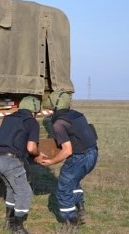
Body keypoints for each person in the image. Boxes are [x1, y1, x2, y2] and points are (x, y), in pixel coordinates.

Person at [41, 90, 98, 232]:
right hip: (93, 153)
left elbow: (67, 150)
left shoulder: (58, 123)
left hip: (80, 157)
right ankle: (81, 211)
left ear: (55, 105)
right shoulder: (78, 115)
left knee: (63, 189)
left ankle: (72, 224)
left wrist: (51, 161)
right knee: (74, 181)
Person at [0, 95, 45, 234]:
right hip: (10, 161)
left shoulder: (8, 118)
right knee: (24, 192)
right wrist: (38, 154)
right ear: (34, 110)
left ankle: (8, 222)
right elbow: (31, 148)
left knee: (11, 189)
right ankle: (18, 227)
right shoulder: (31, 122)